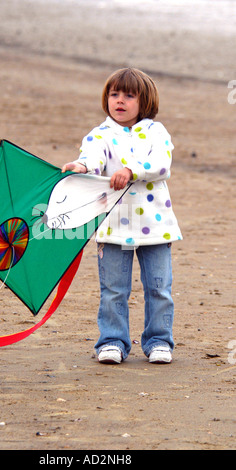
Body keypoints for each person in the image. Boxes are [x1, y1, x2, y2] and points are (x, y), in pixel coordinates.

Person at [62, 68, 182, 364]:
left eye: (129, 95)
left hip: (156, 225)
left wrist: (131, 171)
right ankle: (112, 340)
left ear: (144, 101)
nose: (120, 101)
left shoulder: (157, 132)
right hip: (112, 225)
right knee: (114, 290)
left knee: (159, 288)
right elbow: (92, 157)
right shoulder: (99, 134)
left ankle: (159, 341)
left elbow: (161, 164)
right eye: (114, 94)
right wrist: (81, 166)